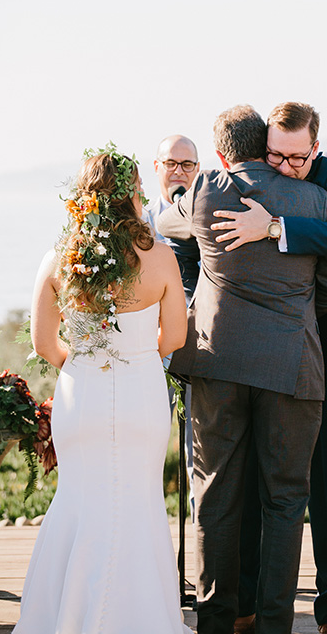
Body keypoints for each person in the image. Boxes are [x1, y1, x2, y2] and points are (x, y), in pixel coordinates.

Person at [157, 105, 327, 634]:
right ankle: (274, 626)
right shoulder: (314, 199)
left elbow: (164, 220)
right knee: (286, 501)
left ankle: (215, 622)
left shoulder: (205, 192)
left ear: (220, 154)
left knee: (215, 495)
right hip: (291, 367)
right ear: (264, 144)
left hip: (218, 363)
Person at [211, 102, 327, 634]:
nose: (283, 168)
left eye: (296, 159)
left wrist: (274, 225)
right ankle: (251, 605)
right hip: (271, 352)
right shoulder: (258, 175)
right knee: (266, 480)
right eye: (273, 155)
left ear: (316, 148)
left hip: (325, 342)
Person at [13, 144, 191, 634]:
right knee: (139, 504)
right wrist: (133, 359)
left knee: (76, 500)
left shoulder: (59, 259)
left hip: (80, 396)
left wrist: (88, 364)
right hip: (142, 395)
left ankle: (61, 619)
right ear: (132, 194)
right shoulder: (160, 259)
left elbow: (44, 342)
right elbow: (174, 338)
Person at [146, 133, 201, 519]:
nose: (178, 171)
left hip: (202, 352)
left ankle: (204, 570)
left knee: (200, 460)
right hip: (149, 355)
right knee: (145, 455)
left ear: (198, 171)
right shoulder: (139, 224)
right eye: (171, 163)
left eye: (187, 165)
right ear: (157, 168)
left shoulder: (209, 218)